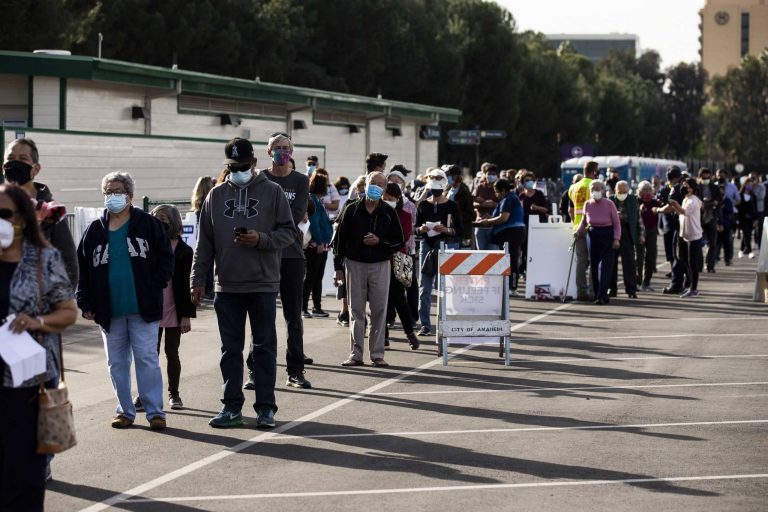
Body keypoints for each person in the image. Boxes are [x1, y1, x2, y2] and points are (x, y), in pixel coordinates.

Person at [191, 137, 295, 428]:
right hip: (227, 285)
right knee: (230, 351)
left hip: (262, 283)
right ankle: (231, 407)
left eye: (242, 165)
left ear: (254, 163)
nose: (237, 170)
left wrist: (260, 239)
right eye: (232, 166)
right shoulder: (215, 195)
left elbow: (289, 233)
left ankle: (265, 408)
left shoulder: (273, 192)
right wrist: (197, 278)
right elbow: (204, 243)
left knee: (264, 348)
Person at [0, 184, 77, 511]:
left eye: (4, 214)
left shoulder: (44, 260)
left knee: (25, 479)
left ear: (23, 219)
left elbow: (68, 312)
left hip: (28, 389)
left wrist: (36, 322)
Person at [76, 171, 173, 430]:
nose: (112, 196)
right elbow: (82, 269)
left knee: (146, 359)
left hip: (143, 308)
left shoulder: (148, 225)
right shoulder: (94, 230)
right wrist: (84, 301)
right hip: (109, 311)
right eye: (108, 192)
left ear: (129, 196)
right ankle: (125, 411)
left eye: (117, 191)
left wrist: (155, 284)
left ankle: (155, 412)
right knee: (116, 363)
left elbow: (166, 258)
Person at [258, 133, 314, 391]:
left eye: (286, 148)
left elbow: (296, 214)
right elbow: (257, 213)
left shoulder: (300, 180)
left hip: (291, 255)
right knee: (261, 315)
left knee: (294, 316)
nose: (282, 151)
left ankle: (295, 370)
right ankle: (255, 369)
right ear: (269, 152)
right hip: (264, 255)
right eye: (277, 148)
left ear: (292, 152)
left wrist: (272, 226)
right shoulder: (261, 178)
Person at [332, 171, 404, 367]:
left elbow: (398, 241)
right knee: (356, 310)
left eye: (380, 184)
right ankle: (356, 354)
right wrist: (338, 267)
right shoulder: (352, 208)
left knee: (379, 310)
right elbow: (339, 240)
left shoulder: (388, 212)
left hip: (380, 265)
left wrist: (379, 242)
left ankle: (377, 354)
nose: (375, 187)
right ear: (366, 184)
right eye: (372, 182)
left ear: (384, 189)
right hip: (354, 264)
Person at [3, 138, 78, 287]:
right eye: (10, 159)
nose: (15, 163)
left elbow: (68, 261)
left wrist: (59, 304)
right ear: (3, 167)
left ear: (36, 169)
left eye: (23, 158)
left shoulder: (51, 212)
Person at [149, 204, 195, 410]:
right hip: (151, 309)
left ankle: (174, 394)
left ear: (174, 221)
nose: (160, 221)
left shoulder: (184, 251)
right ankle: (146, 395)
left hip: (174, 309)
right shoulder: (147, 246)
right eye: (156, 217)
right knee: (149, 355)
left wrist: (186, 315)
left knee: (171, 352)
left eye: (164, 218)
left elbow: (185, 285)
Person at [414, 168, 462, 336]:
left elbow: (459, 230)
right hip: (427, 245)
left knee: (448, 287)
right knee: (424, 287)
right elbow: (416, 229)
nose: (435, 191)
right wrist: (421, 229)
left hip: (445, 245)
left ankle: (448, 322)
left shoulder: (451, 205)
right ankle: (425, 324)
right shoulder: (424, 205)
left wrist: (447, 229)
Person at [382, 183, 419, 350]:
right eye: (385, 198)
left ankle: (410, 333)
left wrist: (381, 242)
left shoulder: (404, 215)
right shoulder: (377, 213)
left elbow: (403, 237)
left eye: (391, 199)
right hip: (379, 261)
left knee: (399, 299)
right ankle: (383, 336)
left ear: (398, 199)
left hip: (399, 260)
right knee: (380, 301)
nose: (387, 201)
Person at [474, 179, 526, 295]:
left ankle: (512, 287)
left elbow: (503, 218)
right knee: (509, 258)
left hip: (513, 232)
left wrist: (488, 221)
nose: (496, 194)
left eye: (496, 192)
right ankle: (509, 285)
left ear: (503, 190)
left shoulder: (509, 199)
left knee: (512, 260)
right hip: (515, 232)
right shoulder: (509, 198)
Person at [577, 181, 620, 305]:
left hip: (607, 234)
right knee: (594, 266)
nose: (595, 191)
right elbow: (584, 221)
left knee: (607, 266)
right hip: (593, 233)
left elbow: (616, 223)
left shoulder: (609, 203)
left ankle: (602, 295)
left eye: (598, 188)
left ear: (603, 190)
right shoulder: (587, 204)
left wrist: (616, 239)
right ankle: (598, 294)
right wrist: (578, 232)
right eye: (593, 189)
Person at [303, 172, 333, 318]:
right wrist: (320, 242)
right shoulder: (313, 201)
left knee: (317, 276)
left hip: (322, 243)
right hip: (316, 245)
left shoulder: (317, 200)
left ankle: (316, 307)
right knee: (311, 276)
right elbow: (314, 223)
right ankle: (303, 308)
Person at [667, 178, 703, 298]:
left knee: (693, 263)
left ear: (692, 188)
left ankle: (694, 289)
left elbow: (685, 212)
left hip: (694, 235)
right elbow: (680, 213)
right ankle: (689, 285)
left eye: (686, 186)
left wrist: (676, 205)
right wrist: (675, 206)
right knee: (686, 261)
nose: (683, 187)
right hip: (685, 234)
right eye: (683, 185)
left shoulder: (693, 201)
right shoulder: (686, 199)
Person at [569, 161, 599, 301]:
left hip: (577, 226)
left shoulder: (573, 187)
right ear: (594, 171)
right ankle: (593, 290)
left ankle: (581, 291)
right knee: (594, 259)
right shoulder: (594, 186)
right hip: (591, 226)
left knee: (581, 260)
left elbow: (571, 208)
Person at [609, 181, 642, 299]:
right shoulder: (610, 200)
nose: (622, 194)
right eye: (619, 192)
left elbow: (638, 218)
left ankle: (631, 289)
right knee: (611, 261)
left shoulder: (633, 200)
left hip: (627, 231)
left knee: (629, 262)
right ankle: (611, 288)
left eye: (624, 192)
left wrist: (641, 234)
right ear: (615, 191)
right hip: (613, 232)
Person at [658, 167, 686, 295]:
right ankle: (689, 283)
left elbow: (670, 206)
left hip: (680, 225)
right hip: (686, 225)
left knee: (677, 256)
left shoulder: (676, 188)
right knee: (684, 256)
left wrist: (658, 210)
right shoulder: (688, 187)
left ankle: (676, 284)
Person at [190, 176, 215, 299]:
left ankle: (206, 286)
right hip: (207, 235)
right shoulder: (209, 201)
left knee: (203, 262)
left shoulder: (198, 203)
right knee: (208, 263)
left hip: (198, 236)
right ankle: (209, 288)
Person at [695, 168, 722, 273]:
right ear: (699, 177)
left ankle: (710, 265)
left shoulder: (715, 188)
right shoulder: (696, 188)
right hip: (699, 218)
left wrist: (716, 203)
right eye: (703, 177)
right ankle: (699, 265)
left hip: (711, 217)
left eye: (707, 177)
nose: (705, 179)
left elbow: (720, 201)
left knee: (712, 243)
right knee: (699, 243)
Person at [636, 180, 660, 291]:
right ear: (639, 192)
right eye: (644, 190)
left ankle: (647, 282)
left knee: (651, 257)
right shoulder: (636, 201)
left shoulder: (655, 202)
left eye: (649, 190)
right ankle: (638, 282)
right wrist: (639, 211)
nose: (647, 193)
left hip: (652, 231)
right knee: (639, 257)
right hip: (639, 232)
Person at [444, 164, 474, 248]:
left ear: (456, 176)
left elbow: (470, 214)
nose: (447, 178)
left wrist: (455, 216)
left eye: (449, 175)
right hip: (448, 230)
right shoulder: (447, 190)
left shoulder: (464, 191)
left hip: (461, 231)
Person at [472, 163, 500, 250]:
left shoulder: (500, 187)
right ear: (485, 174)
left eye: (493, 174)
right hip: (480, 223)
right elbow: (473, 203)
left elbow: (504, 204)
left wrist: (493, 204)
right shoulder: (480, 186)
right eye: (489, 174)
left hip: (494, 224)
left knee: (493, 252)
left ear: (497, 176)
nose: (491, 176)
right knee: (481, 252)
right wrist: (482, 204)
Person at [738, 177, 758, 259]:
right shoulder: (740, 195)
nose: (749, 186)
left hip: (751, 219)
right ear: (744, 184)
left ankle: (741, 250)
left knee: (748, 234)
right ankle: (750, 251)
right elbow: (738, 207)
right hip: (742, 219)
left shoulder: (753, 196)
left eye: (751, 184)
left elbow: (755, 208)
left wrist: (756, 219)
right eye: (748, 184)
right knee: (746, 234)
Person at [717, 181, 735, 266]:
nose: (720, 192)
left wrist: (723, 207)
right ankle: (715, 258)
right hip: (716, 224)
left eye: (722, 190)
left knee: (727, 243)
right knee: (716, 243)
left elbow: (730, 211)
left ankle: (727, 259)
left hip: (726, 224)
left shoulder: (727, 200)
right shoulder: (715, 200)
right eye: (719, 190)